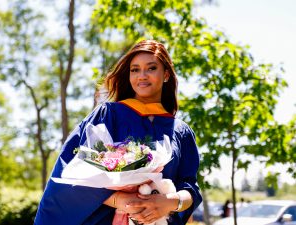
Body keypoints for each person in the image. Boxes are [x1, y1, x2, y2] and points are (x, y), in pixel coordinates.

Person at [34, 40, 202, 225]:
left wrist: (170, 203)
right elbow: (69, 172)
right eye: (135, 69)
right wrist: (120, 200)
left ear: (166, 75)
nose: (142, 76)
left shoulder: (181, 132)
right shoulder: (108, 115)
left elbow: (190, 188)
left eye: (151, 68)